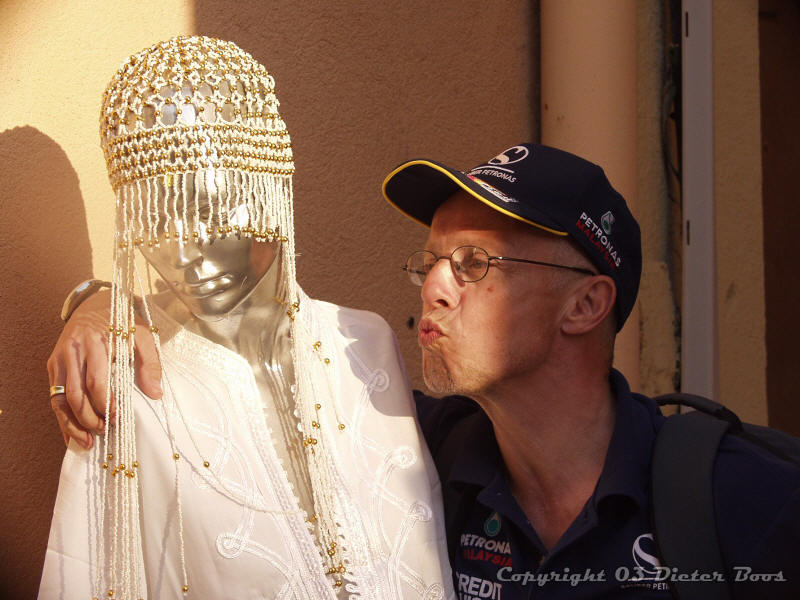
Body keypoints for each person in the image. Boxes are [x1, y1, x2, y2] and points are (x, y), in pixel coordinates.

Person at [50, 142, 800, 599]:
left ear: (585, 304)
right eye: (431, 260)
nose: (433, 288)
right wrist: (99, 304)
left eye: (474, 263)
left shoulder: (745, 501)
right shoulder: (419, 453)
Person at [39, 36, 452, 600]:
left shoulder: (364, 344)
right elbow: (86, 574)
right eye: (158, 221)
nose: (183, 256)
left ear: (266, 191)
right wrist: (95, 301)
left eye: (208, 211)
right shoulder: (127, 386)